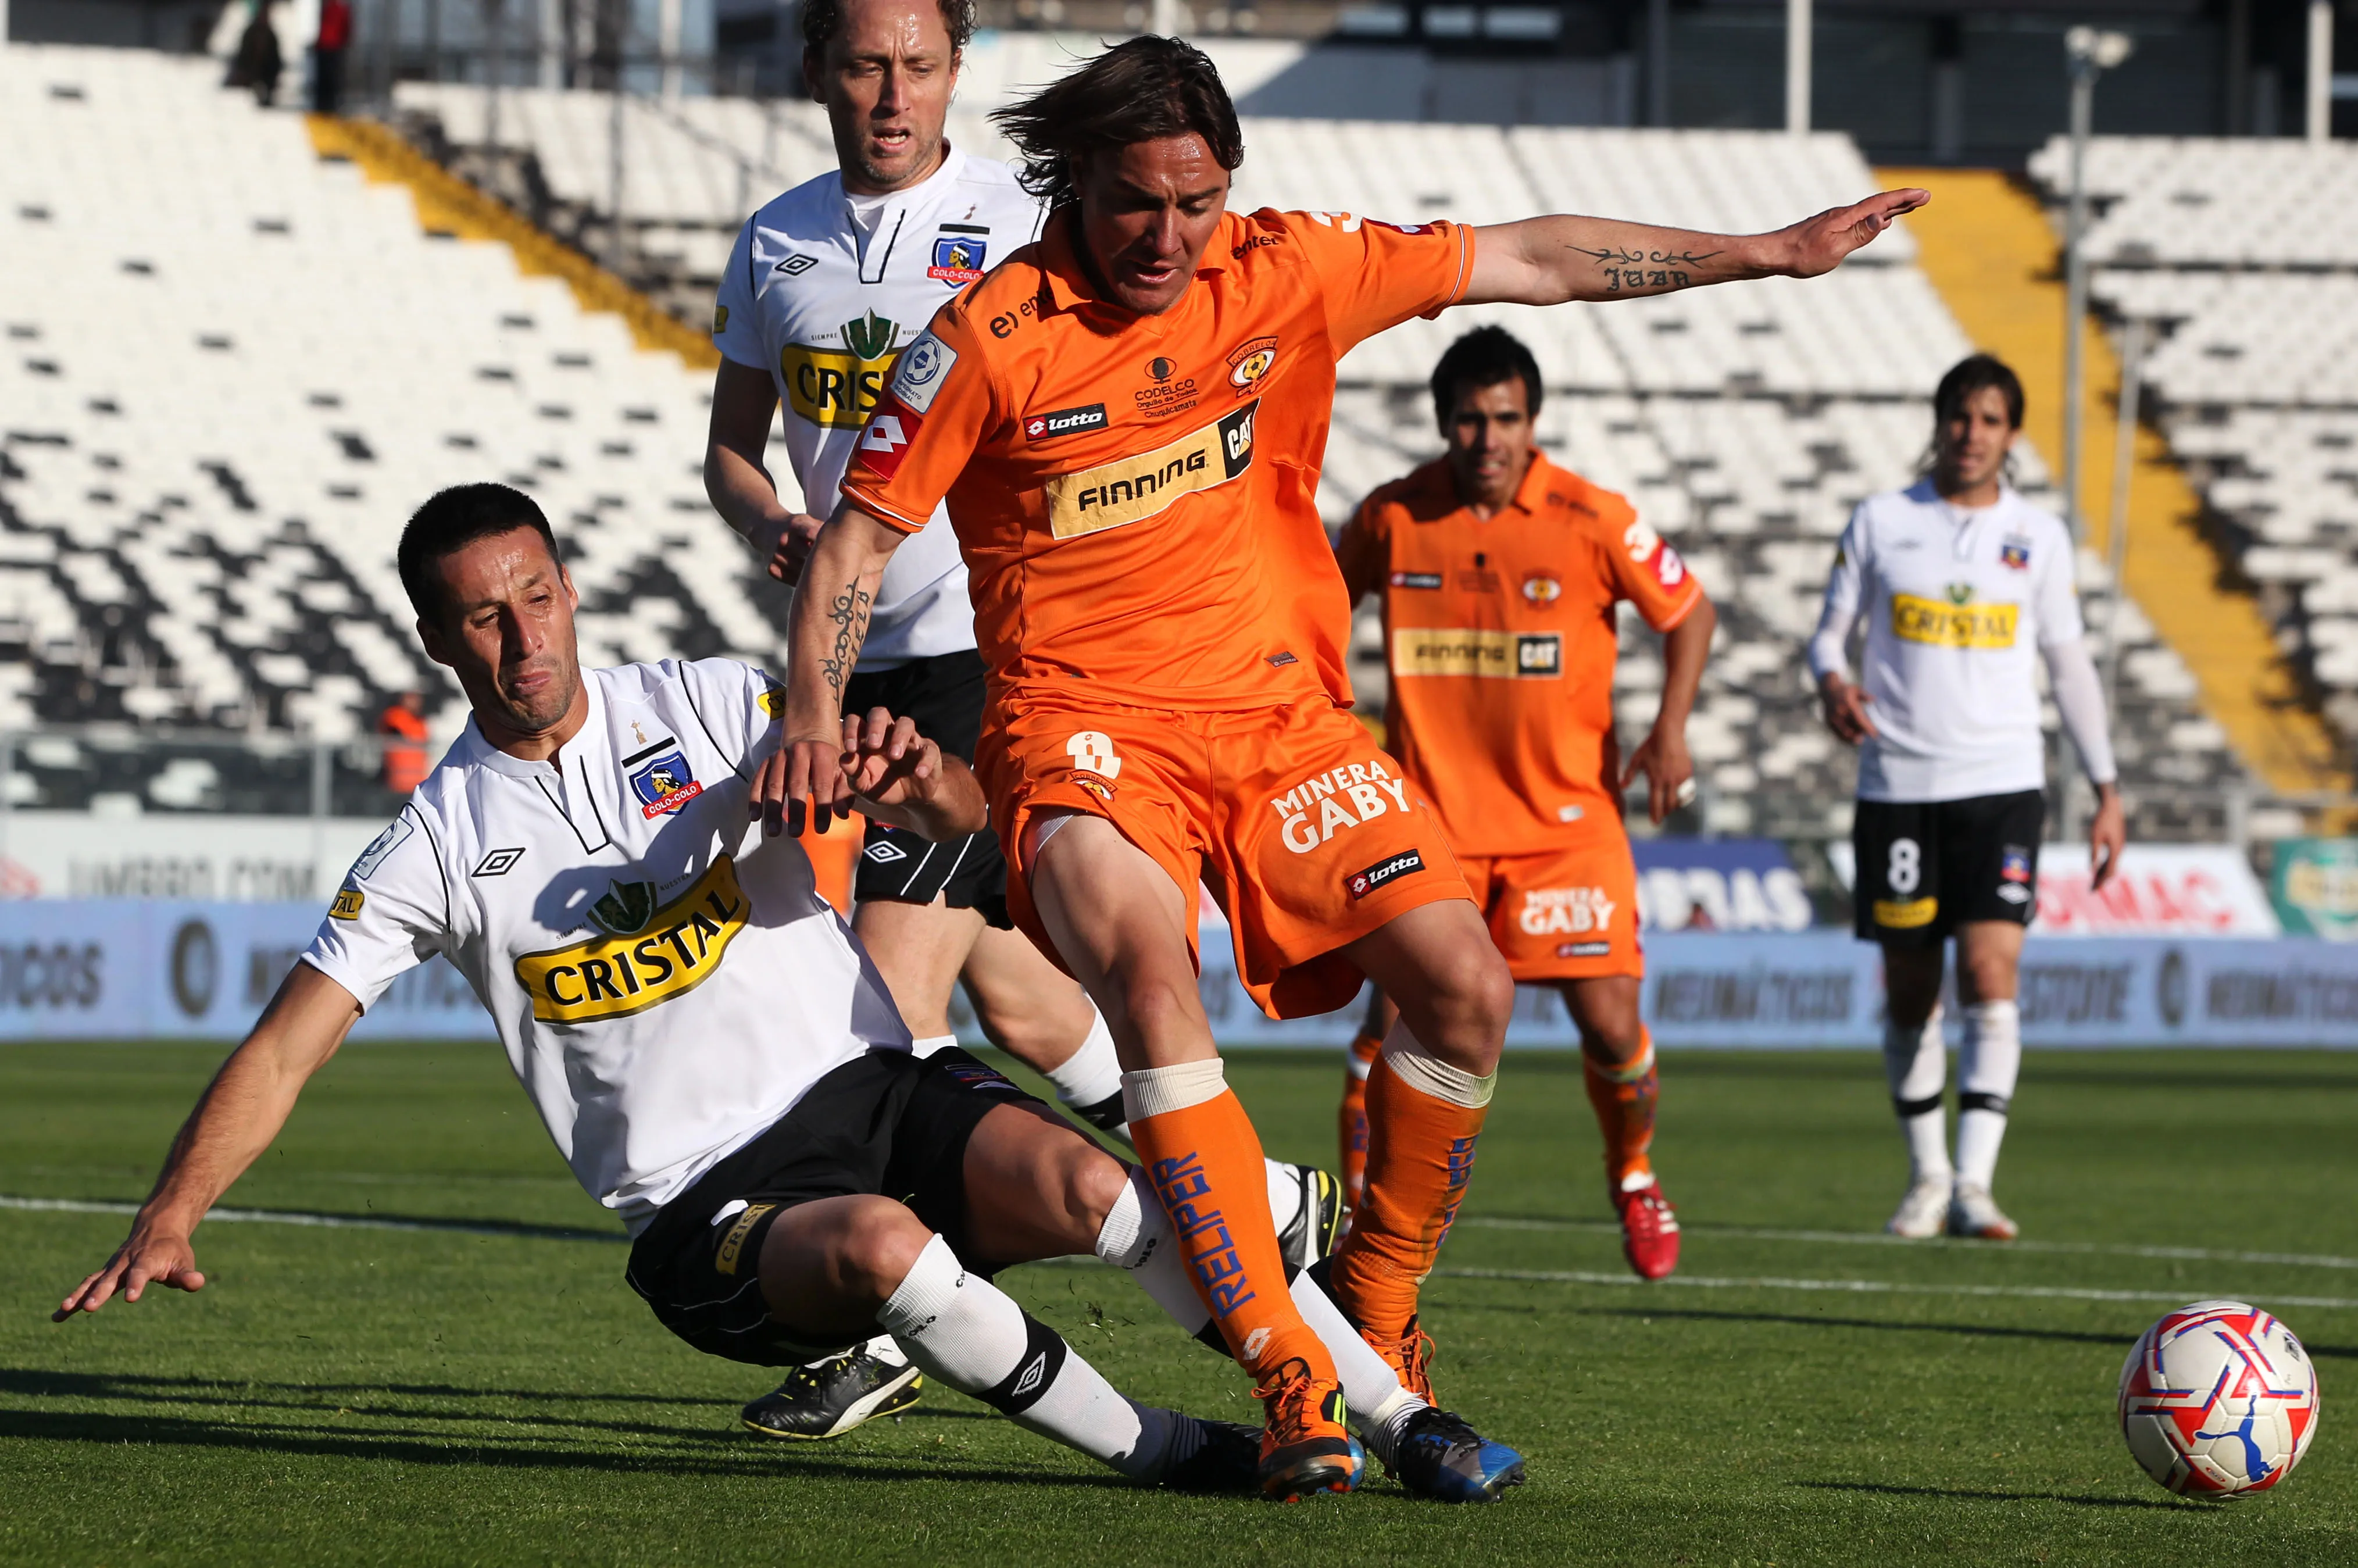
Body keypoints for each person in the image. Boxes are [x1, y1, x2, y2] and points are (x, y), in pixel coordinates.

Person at [770, 35, 1923, 1499]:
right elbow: (856, 544)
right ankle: (1289, 1372)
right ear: (1075, 187)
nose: (1169, 237)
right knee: (1147, 975)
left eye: (1197, 202)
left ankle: (1374, 1306)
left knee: (1467, 984)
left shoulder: (1282, 271)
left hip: (1276, 723)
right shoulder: (989, 336)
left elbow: (1532, 259)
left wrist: (1764, 253)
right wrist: (813, 710)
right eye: (1136, 203)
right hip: (1085, 733)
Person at [53, 483, 1482, 1499]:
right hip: (704, 1203)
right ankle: (1180, 1456)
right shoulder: (432, 842)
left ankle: (1398, 1417)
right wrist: (170, 1214)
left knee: (1104, 1193)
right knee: (880, 1249)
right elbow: (292, 1042)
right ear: (441, 644)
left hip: (875, 1088)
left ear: (569, 585)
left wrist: (921, 790)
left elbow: (961, 822)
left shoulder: (715, 704)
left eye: (536, 595)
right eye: (482, 621)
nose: (523, 637)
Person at [701, 0, 1337, 1442]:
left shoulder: (1018, 229)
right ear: (818, 73)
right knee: (1017, 995)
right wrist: (781, 527)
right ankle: (1266, 1198)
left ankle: (890, 1326)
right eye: (863, 64)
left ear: (954, 74)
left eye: (918, 65)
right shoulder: (777, 241)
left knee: (872, 1006)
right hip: (846, 655)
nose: (890, 92)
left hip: (992, 658)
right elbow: (732, 451)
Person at [1332, 326, 1716, 1283]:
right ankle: (1358, 1228)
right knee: (1385, 1031)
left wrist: (1670, 728)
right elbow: (1317, 602)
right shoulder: (1391, 516)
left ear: (1532, 423)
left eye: (1505, 418)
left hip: (1565, 831)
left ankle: (1631, 1172)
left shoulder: (1591, 516)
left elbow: (1690, 610)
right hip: (1433, 832)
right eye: (1469, 419)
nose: (1487, 438)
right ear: (1443, 424)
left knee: (1612, 1024)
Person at [1807, 353, 2125, 1241]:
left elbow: (2068, 665)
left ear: (2011, 435)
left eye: (1990, 420)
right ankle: (1927, 1176)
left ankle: (1976, 1185)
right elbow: (1828, 637)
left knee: (1991, 971)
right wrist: (1832, 683)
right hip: (1900, 784)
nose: (1972, 433)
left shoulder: (2039, 535)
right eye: (1959, 415)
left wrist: (2106, 787)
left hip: (2002, 783)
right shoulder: (1881, 520)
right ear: (1939, 421)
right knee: (1912, 988)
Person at [228, 0, 283, 109]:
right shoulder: (250, 33)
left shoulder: (271, 36)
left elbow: (276, 61)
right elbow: (243, 57)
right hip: (252, 73)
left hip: (267, 74)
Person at [378, 688, 431, 795]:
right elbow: (393, 731)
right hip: (396, 779)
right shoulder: (395, 716)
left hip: (418, 780)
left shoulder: (420, 721)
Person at [311, 0, 351, 116]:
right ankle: (324, 106)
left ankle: (327, 106)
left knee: (330, 79)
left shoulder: (337, 8)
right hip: (327, 47)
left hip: (332, 48)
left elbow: (346, 28)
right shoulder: (330, 7)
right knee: (326, 79)